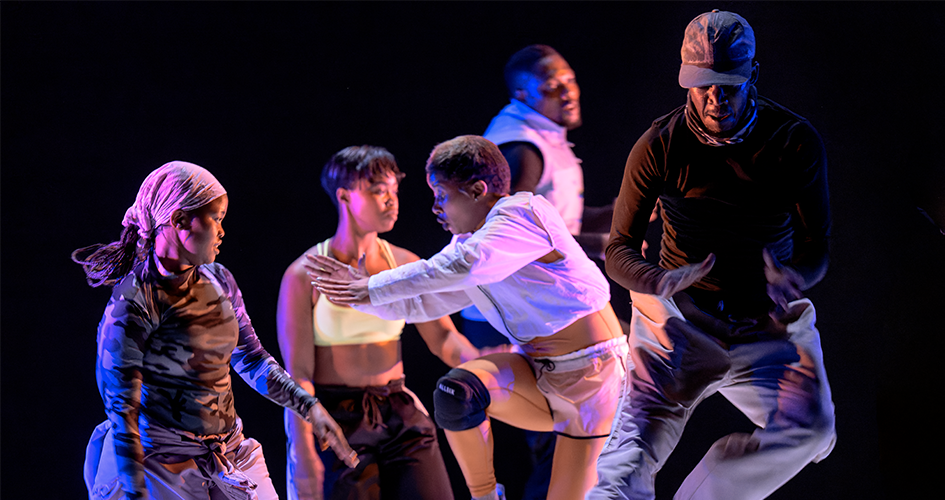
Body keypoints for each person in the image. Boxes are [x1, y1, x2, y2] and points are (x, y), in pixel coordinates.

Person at [589, 10, 837, 500]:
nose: (714, 99)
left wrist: (795, 276)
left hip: (765, 324)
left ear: (752, 75)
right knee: (623, 472)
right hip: (679, 325)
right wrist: (655, 280)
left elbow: (818, 245)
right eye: (702, 86)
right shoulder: (659, 145)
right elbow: (618, 249)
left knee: (813, 432)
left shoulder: (793, 140)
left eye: (727, 86)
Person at [308, 135, 629, 500]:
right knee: (456, 393)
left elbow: (465, 265)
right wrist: (358, 297)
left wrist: (371, 287)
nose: (435, 207)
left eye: (442, 195)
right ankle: (485, 496)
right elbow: (425, 302)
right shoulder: (470, 243)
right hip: (538, 371)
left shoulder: (522, 214)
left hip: (593, 381)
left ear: (477, 191)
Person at [75, 161, 357, 500]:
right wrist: (136, 492)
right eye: (216, 218)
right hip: (161, 466)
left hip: (228, 453)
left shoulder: (219, 279)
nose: (222, 231)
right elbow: (123, 412)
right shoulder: (134, 303)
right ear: (179, 220)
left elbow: (252, 359)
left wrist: (310, 408)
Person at [277, 146, 485, 500]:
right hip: (338, 417)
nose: (391, 201)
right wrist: (302, 450)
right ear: (344, 196)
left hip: (398, 410)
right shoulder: (304, 274)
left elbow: (444, 339)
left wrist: (487, 365)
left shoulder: (404, 263)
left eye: (394, 190)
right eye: (378, 191)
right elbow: (298, 374)